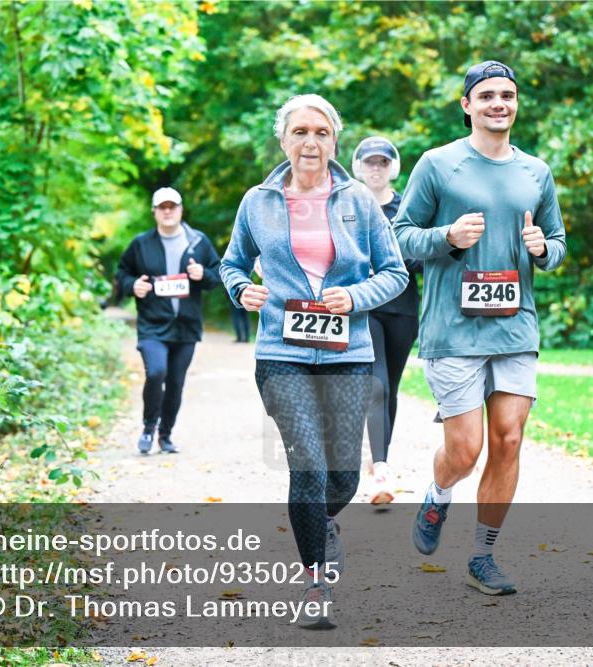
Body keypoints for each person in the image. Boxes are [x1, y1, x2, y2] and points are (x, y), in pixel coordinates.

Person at [220, 94, 407, 628]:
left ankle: (320, 520)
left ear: (334, 141)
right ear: (283, 139)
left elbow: (394, 272)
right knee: (308, 466)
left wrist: (357, 298)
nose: (311, 142)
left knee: (343, 480)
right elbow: (232, 265)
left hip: (347, 351)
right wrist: (242, 291)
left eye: (322, 133)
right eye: (300, 131)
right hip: (281, 352)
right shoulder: (257, 201)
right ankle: (315, 584)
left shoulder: (359, 201)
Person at [393, 61, 566, 595]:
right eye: (487, 95)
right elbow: (398, 237)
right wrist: (447, 235)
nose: (499, 104)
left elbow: (557, 244)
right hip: (453, 329)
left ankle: (483, 555)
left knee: (509, 439)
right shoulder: (438, 165)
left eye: (507, 95)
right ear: (467, 105)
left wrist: (544, 250)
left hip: (515, 327)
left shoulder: (535, 171)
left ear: (516, 104)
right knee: (465, 450)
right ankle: (438, 495)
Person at [116, 187, 222, 454]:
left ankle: (166, 435)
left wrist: (203, 275)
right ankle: (149, 427)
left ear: (180, 209)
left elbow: (219, 274)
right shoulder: (141, 243)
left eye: (171, 206)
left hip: (186, 325)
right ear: (154, 212)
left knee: (175, 382)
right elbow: (122, 272)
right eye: (161, 207)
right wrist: (132, 286)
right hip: (152, 324)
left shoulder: (198, 242)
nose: (167, 211)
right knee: (156, 372)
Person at [351, 136, 421, 505]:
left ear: (391, 167)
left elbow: (423, 253)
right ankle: (380, 469)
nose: (375, 169)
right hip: (365, 309)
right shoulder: (349, 204)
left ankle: (382, 460)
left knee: (389, 387)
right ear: (358, 167)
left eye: (381, 163)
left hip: (403, 310)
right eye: (368, 162)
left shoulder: (406, 209)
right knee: (375, 384)